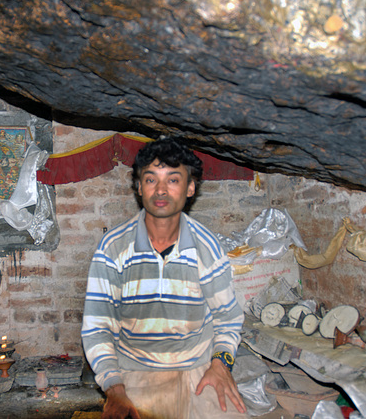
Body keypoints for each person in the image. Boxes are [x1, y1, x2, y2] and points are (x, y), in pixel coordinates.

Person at [81, 137, 248, 419]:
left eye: (172, 180)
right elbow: (97, 327)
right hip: (137, 371)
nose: (160, 190)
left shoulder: (205, 247)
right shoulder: (113, 248)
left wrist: (220, 365)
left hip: (200, 367)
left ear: (190, 187)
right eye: (150, 180)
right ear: (139, 187)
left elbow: (228, 319)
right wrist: (115, 388)